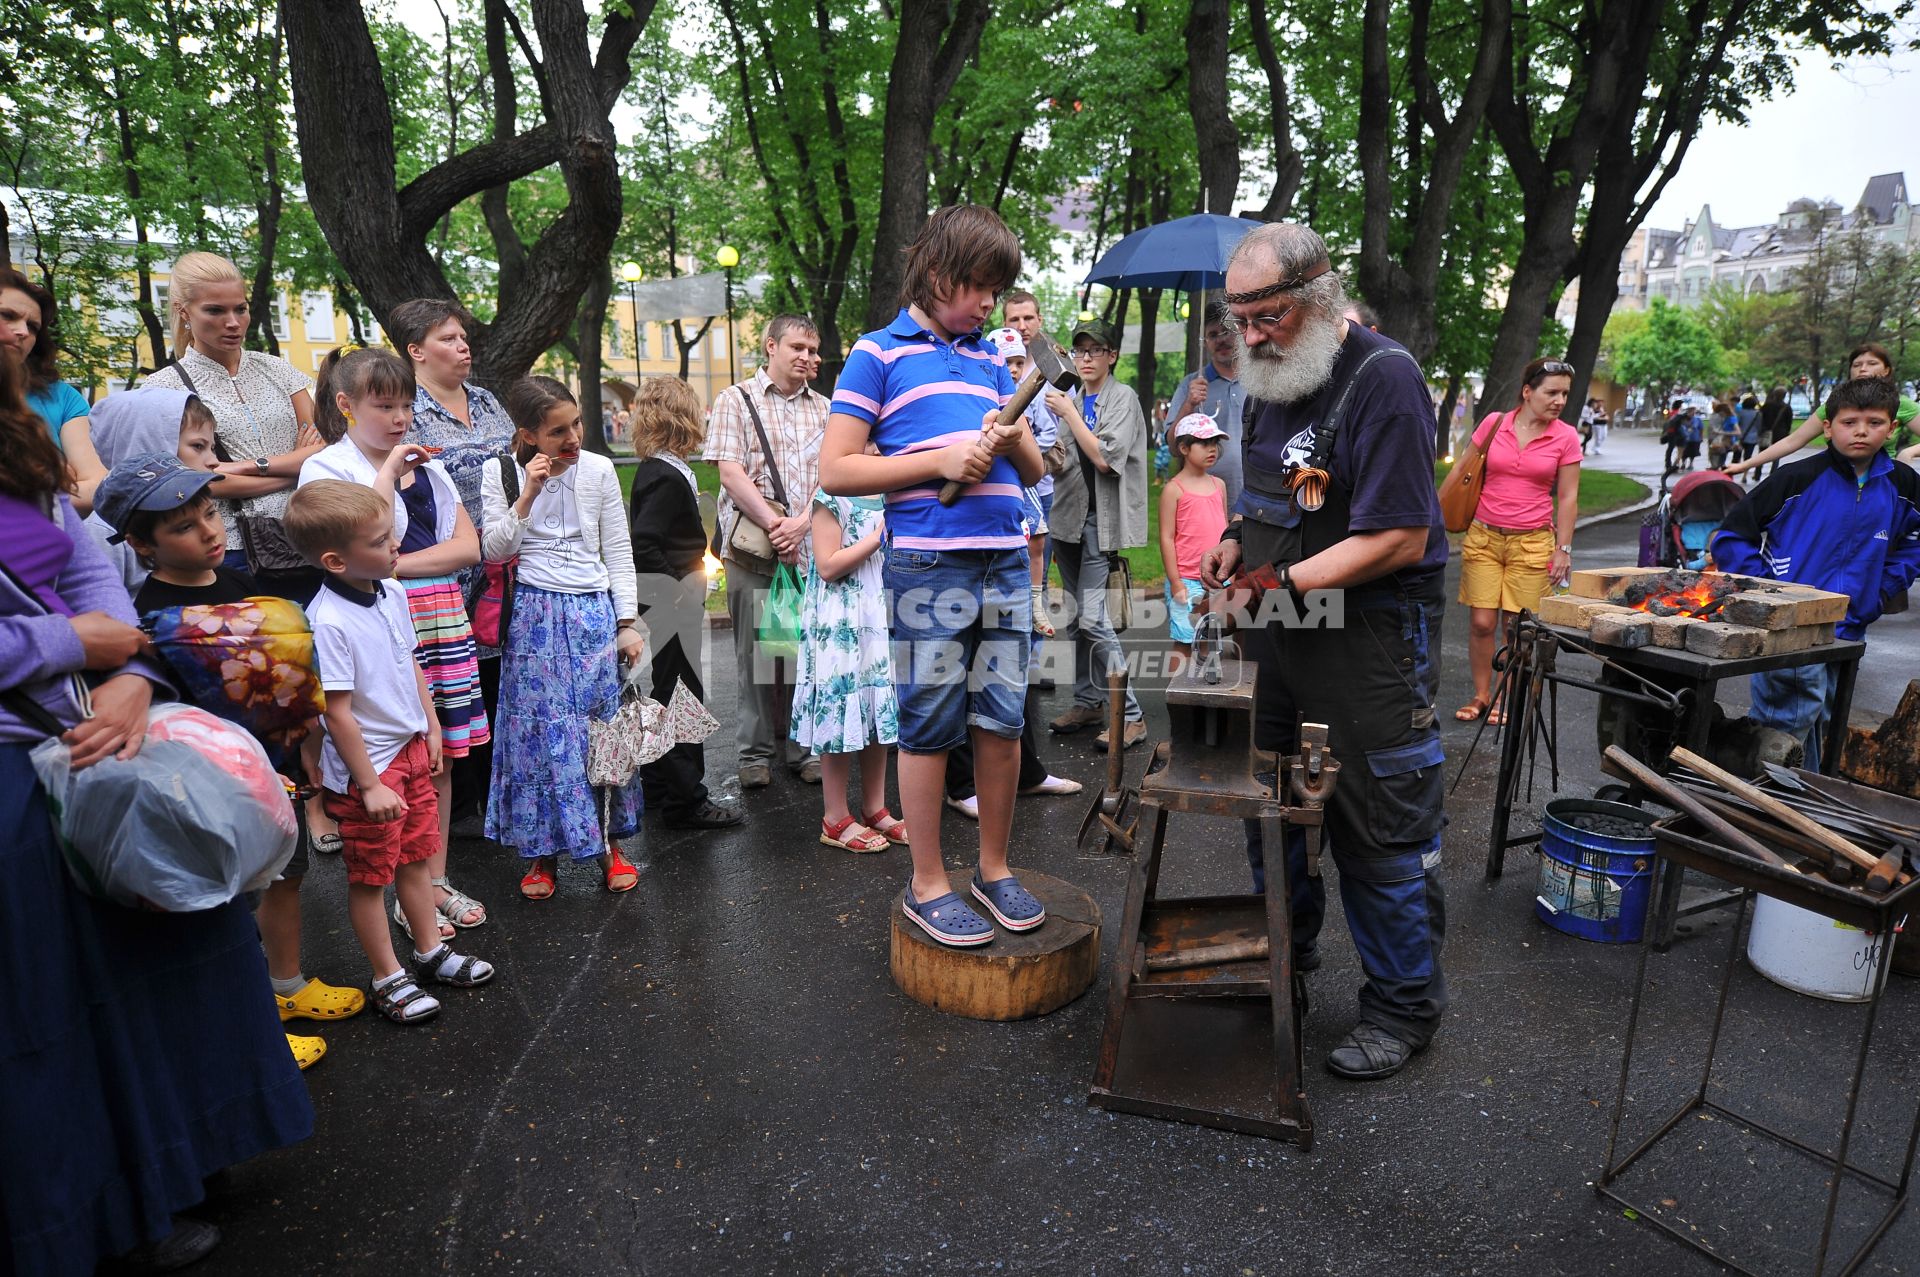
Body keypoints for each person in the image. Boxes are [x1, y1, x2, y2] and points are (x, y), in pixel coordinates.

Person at [0, 350, 311, 1275]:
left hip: (90, 732)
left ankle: (179, 1161)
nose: (12, 339)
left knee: (174, 948)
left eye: (20, 323)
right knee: (50, 1010)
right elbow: (82, 614)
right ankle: (91, 1212)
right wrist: (70, 642)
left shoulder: (23, 457)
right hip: (14, 776)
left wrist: (130, 674)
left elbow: (90, 578)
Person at [1198, 221, 1449, 1081]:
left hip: (1370, 641)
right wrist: (1237, 538)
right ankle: (1284, 950)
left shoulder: (1386, 380)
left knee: (1377, 821)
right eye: (1240, 320)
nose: (1251, 338)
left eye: (1266, 317)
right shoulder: (1269, 378)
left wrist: (1277, 584)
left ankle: (1404, 1005)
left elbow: (1396, 538)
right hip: (1283, 632)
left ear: (1316, 299)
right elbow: (1274, 493)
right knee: (1269, 801)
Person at [819, 203, 1047, 950]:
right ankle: (928, 882)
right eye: (979, 286)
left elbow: (1037, 470)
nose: (988, 303)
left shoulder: (989, 361)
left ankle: (993, 867)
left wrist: (1011, 440)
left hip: (1005, 558)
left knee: (1002, 722)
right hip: (928, 564)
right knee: (929, 725)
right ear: (939, 271)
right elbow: (838, 468)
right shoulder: (878, 353)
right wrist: (940, 460)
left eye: (997, 289)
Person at [96, 453, 366, 1072]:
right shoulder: (151, 620)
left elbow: (285, 679)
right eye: (185, 526)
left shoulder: (241, 589)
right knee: (232, 900)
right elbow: (170, 717)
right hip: (213, 789)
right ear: (142, 545)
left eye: (211, 513)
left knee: (285, 876)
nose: (210, 531)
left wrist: (303, 744)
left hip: (281, 771)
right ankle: (250, 1023)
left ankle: (286, 987)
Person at [284, 480, 494, 1023]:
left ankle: (429, 953)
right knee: (371, 876)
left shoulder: (391, 591)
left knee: (418, 860)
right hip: (369, 771)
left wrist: (430, 726)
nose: (395, 548)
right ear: (335, 560)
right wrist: (371, 784)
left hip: (407, 752)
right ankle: (388, 978)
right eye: (380, 542)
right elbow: (338, 712)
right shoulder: (328, 621)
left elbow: (411, 663)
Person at [299, 346, 490, 938]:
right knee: (390, 750)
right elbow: (371, 537)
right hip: (374, 622)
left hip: (430, 615)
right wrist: (386, 478)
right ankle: (409, 902)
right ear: (346, 405)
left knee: (441, 748)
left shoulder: (426, 467)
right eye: (385, 406)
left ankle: (434, 882)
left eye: (407, 404)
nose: (400, 417)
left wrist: (399, 562)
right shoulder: (327, 468)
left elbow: (467, 548)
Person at [481, 377, 644, 899]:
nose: (573, 437)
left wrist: (626, 623)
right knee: (537, 739)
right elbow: (495, 549)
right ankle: (540, 854)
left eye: (575, 424)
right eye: (557, 432)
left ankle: (611, 846)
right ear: (528, 434)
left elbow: (617, 549)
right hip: (533, 614)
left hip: (593, 613)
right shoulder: (499, 472)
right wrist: (527, 492)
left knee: (603, 731)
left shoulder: (597, 470)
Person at [1711, 377, 1920, 770]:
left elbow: (1914, 542)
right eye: (1849, 422)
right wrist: (1769, 595)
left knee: (1825, 723)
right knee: (1784, 727)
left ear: (1893, 428)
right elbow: (1731, 536)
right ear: (1827, 426)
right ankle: (1767, 811)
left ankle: (1805, 812)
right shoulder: (1796, 478)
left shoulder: (1904, 485)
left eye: (1874, 422)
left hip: (1849, 629)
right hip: (1790, 635)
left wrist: (1883, 589)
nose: (1861, 431)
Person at [388, 298, 519, 835]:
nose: (463, 346)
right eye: (447, 338)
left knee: (494, 674)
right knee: (445, 682)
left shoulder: (487, 401)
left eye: (463, 336)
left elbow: (514, 463)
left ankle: (491, 796)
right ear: (415, 351)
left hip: (503, 560)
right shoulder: (406, 411)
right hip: (441, 565)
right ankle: (454, 805)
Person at [143, 251, 324, 599]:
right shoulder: (164, 389)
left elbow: (322, 453)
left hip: (308, 532)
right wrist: (293, 471)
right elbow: (197, 484)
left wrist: (244, 468)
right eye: (215, 310)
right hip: (231, 547)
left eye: (240, 308)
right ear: (183, 312)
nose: (233, 322)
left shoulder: (278, 369)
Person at [706, 314, 827, 789]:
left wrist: (801, 525)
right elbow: (730, 472)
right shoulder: (735, 400)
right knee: (755, 653)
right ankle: (754, 754)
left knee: (804, 651)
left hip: (811, 548)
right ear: (771, 346)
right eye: (798, 347)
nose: (807, 357)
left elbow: (832, 476)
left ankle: (804, 748)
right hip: (754, 550)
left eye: (813, 351)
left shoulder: (827, 407)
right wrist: (778, 526)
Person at [626, 375, 743, 830]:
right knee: (682, 695)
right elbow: (646, 543)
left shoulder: (664, 468)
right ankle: (686, 799)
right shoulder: (663, 474)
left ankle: (659, 786)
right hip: (672, 600)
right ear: (682, 417)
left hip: (671, 597)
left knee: (668, 690)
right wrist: (679, 589)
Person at [1452, 358, 1583, 725]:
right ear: (1528, 391)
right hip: (1484, 538)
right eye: (1551, 392)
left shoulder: (1566, 436)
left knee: (1515, 627)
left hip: (1532, 543)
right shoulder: (1495, 424)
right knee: (1480, 622)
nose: (1559, 400)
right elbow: (1465, 470)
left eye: (1564, 394)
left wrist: (1564, 549)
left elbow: (1569, 497)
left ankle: (1503, 697)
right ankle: (1480, 693)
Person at [1047, 316, 1150, 753]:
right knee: (1073, 618)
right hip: (1067, 520)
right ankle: (1089, 701)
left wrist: (1070, 413)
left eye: (1096, 350)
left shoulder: (1121, 398)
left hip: (1098, 523)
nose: (1086, 358)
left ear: (1112, 356)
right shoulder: (1072, 400)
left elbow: (1107, 460)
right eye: (1080, 350)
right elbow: (1061, 460)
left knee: (1093, 616)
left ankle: (1131, 717)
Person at [792, 484, 905, 852]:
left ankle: (875, 808)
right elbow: (827, 565)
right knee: (840, 708)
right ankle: (835, 816)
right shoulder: (832, 495)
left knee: (875, 708)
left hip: (877, 610)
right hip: (840, 618)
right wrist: (879, 536)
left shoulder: (890, 491)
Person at [0, 266, 107, 510]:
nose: (22, 331)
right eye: (7, 315)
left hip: (48, 538)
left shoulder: (61, 396)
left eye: (33, 326)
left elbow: (97, 485)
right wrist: (57, 481)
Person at [1730, 344, 1920, 477]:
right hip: (1837, 481)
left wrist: (1909, 452)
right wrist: (1744, 465)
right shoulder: (1836, 404)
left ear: (1886, 370)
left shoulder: (1901, 404)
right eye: (1857, 365)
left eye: (1872, 363)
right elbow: (1792, 441)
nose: (1863, 369)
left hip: (1883, 483)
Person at [986, 318, 1059, 635]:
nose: (1013, 369)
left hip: (1023, 476)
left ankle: (1034, 602)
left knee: (1037, 537)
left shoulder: (1030, 394)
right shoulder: (982, 393)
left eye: (1018, 362)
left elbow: (1049, 434)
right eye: (1006, 361)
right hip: (990, 479)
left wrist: (1024, 447)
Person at [1158, 412, 1231, 672]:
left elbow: (1224, 530)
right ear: (1184, 448)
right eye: (1204, 443)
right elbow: (1166, 538)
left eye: (1215, 443)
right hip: (1187, 580)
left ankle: (1200, 696)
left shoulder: (1219, 485)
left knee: (1209, 637)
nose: (1212, 449)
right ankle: (1178, 699)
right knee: (1184, 641)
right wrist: (1176, 582)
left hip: (1217, 578)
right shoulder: (1174, 489)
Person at [1169, 299, 1248, 513]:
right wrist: (1189, 404)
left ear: (1240, 333)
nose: (1221, 339)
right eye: (1213, 335)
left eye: (1226, 331)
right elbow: (1174, 447)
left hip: (1254, 501)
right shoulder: (1191, 385)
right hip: (1205, 502)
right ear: (1205, 343)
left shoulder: (1258, 381)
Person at [1755, 386, 1794, 479]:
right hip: (1780, 433)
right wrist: (1787, 433)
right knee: (1776, 454)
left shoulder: (1767, 405)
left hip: (1766, 431)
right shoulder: (1787, 407)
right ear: (1784, 396)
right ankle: (1772, 474)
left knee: (1762, 453)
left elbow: (1760, 418)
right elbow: (1789, 422)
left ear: (1774, 394)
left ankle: (1757, 474)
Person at [1735, 393, 1762, 466]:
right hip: (1752, 438)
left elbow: (1737, 424)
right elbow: (1759, 426)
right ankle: (1744, 475)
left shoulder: (1740, 412)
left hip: (1740, 437)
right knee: (1748, 457)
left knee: (1736, 456)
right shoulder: (1757, 414)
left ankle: (1734, 471)